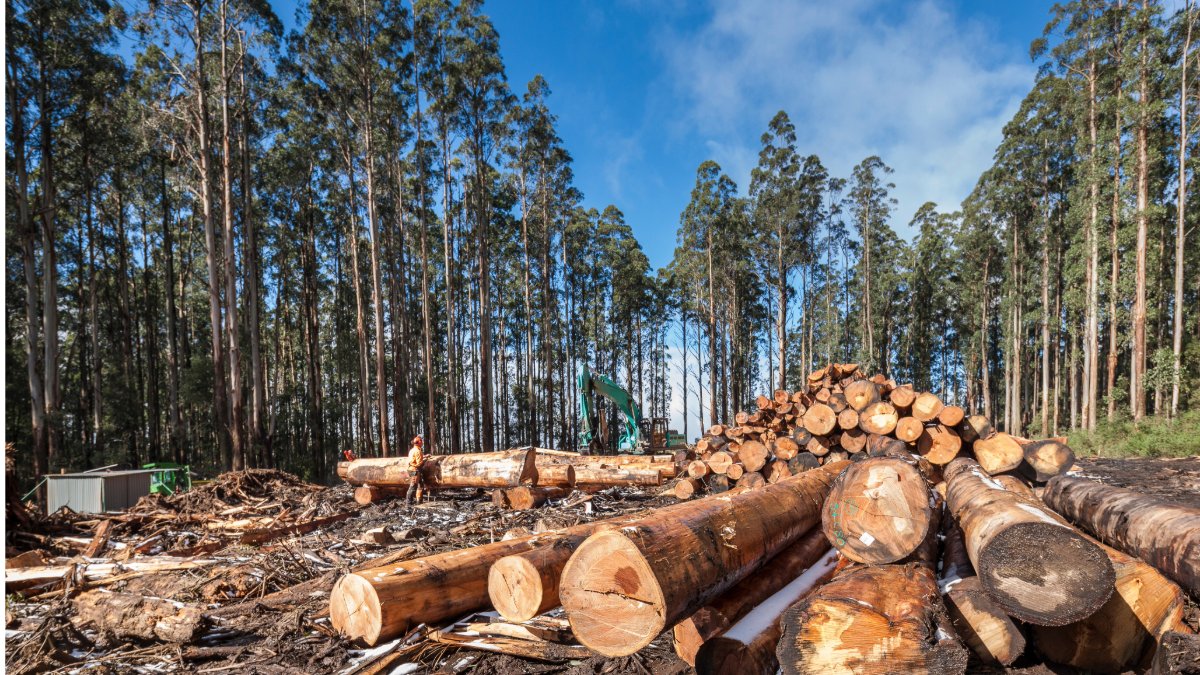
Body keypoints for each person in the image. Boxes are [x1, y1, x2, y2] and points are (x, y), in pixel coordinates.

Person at [405, 435, 425, 506]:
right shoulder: (418, 451)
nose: (422, 442)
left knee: (420, 484)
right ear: (419, 442)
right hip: (415, 470)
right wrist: (424, 460)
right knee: (413, 486)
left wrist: (424, 456)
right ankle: (408, 503)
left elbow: (414, 458)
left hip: (411, 469)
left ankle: (419, 500)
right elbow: (419, 463)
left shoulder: (412, 450)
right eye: (421, 441)